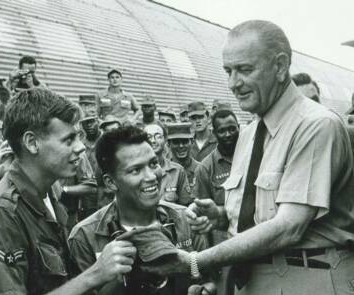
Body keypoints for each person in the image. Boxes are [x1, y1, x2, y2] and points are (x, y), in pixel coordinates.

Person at [142, 20, 354, 295]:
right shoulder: (249, 134)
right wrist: (219, 215)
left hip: (308, 277)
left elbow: (288, 226)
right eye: (228, 71)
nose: (233, 83)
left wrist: (196, 261)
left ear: (279, 66)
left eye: (244, 70)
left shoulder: (316, 125)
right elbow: (256, 216)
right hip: (251, 280)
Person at [0, 88, 136, 295]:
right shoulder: (1, 213)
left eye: (78, 137)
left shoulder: (48, 195)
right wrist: (94, 274)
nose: (80, 147)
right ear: (32, 143)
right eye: (68, 140)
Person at [68, 126, 215, 295]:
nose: (151, 176)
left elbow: (209, 281)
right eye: (135, 170)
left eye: (154, 164)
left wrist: (204, 290)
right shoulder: (85, 236)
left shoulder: (186, 220)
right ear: (110, 182)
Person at [193, 108, 239, 246]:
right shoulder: (205, 168)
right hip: (225, 241)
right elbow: (203, 215)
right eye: (222, 131)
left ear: (239, 128)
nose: (228, 134)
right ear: (214, 133)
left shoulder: (252, 156)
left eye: (232, 129)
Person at [144, 123, 193, 206]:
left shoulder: (177, 171)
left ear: (165, 140)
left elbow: (186, 205)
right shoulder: (137, 171)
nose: (153, 141)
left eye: (158, 136)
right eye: (149, 137)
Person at [167, 122, 201, 191]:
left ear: (192, 142)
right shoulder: (164, 171)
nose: (181, 146)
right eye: (176, 142)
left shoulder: (201, 169)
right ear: (168, 144)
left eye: (185, 141)